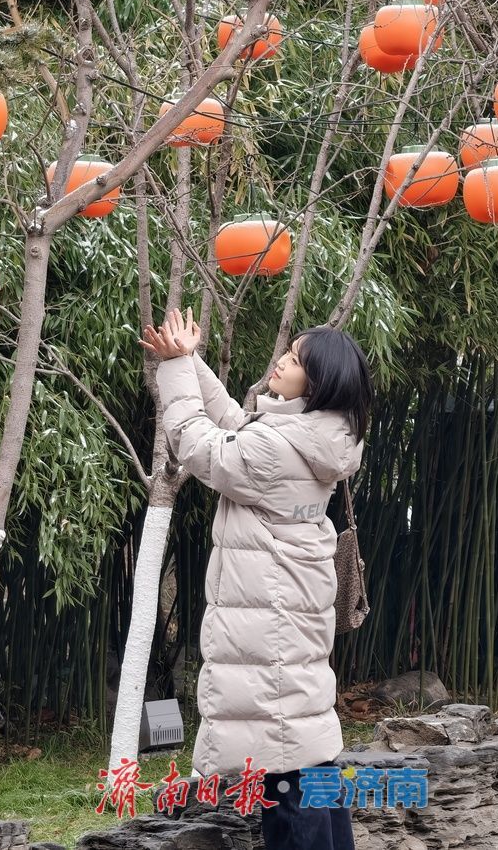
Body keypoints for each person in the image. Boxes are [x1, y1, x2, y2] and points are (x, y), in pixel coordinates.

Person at [140, 307, 375, 850]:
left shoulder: (277, 450)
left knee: (286, 775)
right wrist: (189, 360)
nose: (280, 361)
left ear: (317, 385)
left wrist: (174, 370)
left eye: (293, 360)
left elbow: (198, 445)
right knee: (308, 759)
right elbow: (234, 421)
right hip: (287, 626)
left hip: (269, 633)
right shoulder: (318, 436)